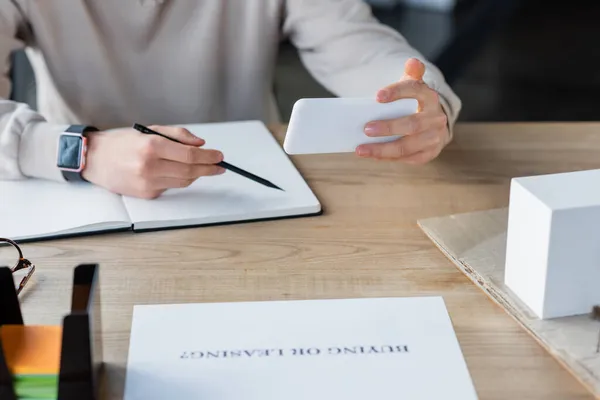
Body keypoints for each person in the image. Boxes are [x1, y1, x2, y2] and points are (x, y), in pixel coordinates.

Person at [0, 0, 461, 199]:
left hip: (254, 186)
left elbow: (358, 45)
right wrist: (84, 151)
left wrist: (424, 101)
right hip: (81, 192)